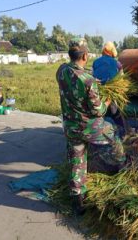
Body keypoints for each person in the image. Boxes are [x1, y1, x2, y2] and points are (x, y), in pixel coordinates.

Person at [56, 38, 125, 215]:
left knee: (76, 161)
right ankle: (120, 165)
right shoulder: (88, 81)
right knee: (115, 131)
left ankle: (78, 200)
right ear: (85, 55)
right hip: (90, 128)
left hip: (71, 128)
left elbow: (76, 74)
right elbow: (98, 111)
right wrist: (108, 100)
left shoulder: (61, 71)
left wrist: (93, 81)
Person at [92, 41, 125, 129]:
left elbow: (92, 77)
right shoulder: (117, 63)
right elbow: (122, 78)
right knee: (115, 110)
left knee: (100, 112)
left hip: (98, 92)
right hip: (112, 93)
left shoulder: (95, 62)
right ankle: (121, 129)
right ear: (112, 51)